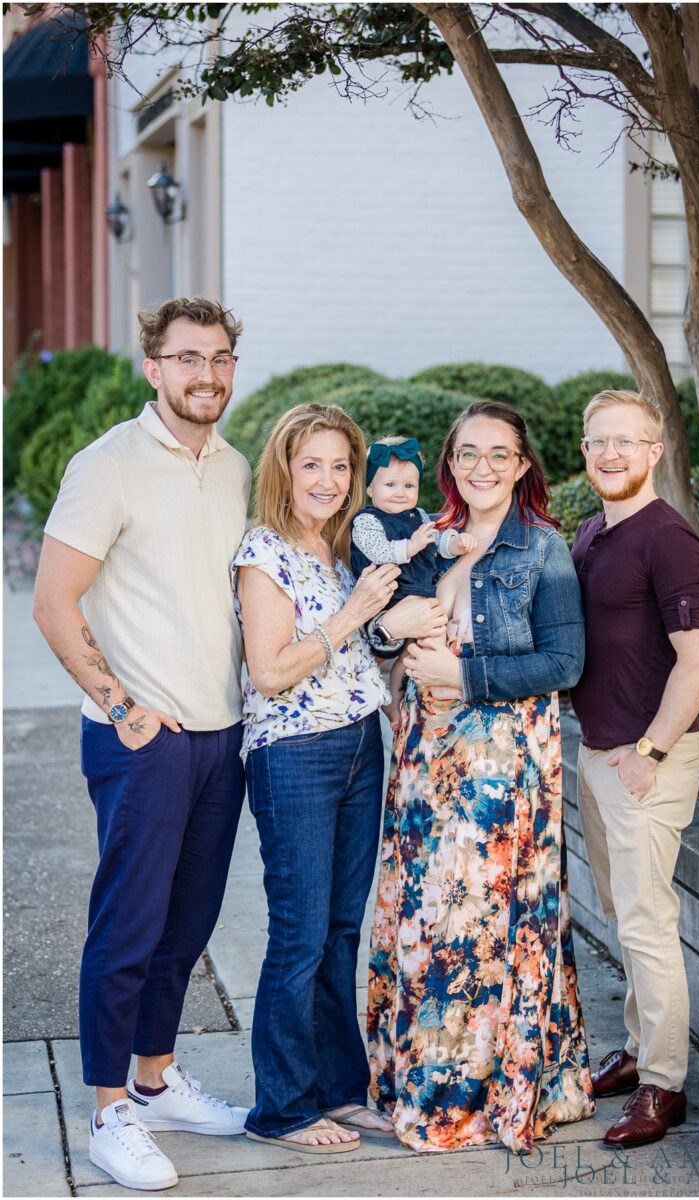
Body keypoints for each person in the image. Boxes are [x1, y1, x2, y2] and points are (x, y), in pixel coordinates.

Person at [33, 297, 253, 1192]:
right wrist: (121, 703)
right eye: (188, 358)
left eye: (221, 358)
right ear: (153, 367)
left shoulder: (237, 464)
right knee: (127, 926)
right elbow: (55, 601)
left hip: (221, 733)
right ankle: (107, 1111)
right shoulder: (108, 465)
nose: (208, 374)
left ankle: (156, 1083)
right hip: (144, 737)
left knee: (189, 921)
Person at [367, 399, 596, 1153]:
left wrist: (465, 675)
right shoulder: (430, 540)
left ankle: (470, 1097)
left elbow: (564, 663)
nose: (483, 467)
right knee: (424, 921)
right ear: (450, 464)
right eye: (468, 453)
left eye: (500, 454)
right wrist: (396, 651)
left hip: (497, 767)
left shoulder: (542, 550)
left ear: (524, 465)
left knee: (475, 927)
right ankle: (416, 1078)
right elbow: (384, 625)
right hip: (425, 757)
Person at [232, 403, 447, 1154]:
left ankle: (337, 1089)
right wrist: (353, 615)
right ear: (284, 472)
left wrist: (387, 681)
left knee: (340, 930)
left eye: (340, 466)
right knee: (298, 933)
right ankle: (281, 1108)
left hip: (358, 747)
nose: (328, 480)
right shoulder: (265, 553)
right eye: (311, 464)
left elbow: (359, 653)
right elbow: (270, 671)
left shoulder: (333, 550)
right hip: (296, 754)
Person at [569, 389, 699, 1149]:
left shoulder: (670, 539)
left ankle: (664, 1086)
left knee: (649, 923)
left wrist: (652, 751)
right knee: (626, 916)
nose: (612, 454)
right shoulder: (595, 531)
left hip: (645, 762)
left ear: (654, 451)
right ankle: (636, 1051)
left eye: (627, 441)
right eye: (599, 442)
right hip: (600, 753)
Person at [350, 436, 477, 723]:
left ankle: (394, 696)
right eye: (390, 485)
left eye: (409, 486)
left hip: (420, 593)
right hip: (389, 598)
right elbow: (378, 551)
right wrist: (411, 546)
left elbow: (437, 541)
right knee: (429, 637)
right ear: (370, 488)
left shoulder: (418, 516)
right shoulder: (367, 521)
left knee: (413, 652)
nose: (400, 492)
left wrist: (455, 543)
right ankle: (436, 684)